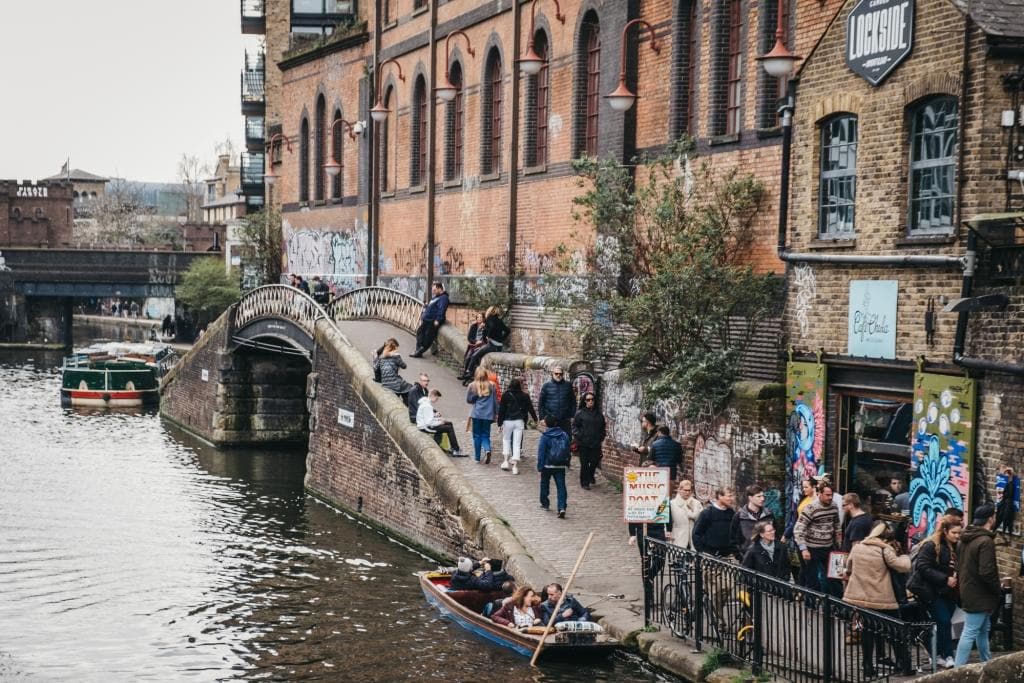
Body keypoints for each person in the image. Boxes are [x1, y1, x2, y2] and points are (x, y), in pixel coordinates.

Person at [843, 522, 912, 678]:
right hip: (882, 598)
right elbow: (902, 566)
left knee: (867, 632)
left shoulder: (858, 547)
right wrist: (905, 556)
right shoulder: (885, 550)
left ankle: (867, 665)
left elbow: (849, 567)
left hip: (860, 598)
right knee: (895, 631)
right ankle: (904, 664)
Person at [907, 518, 962, 669]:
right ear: (945, 531)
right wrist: (945, 579)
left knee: (942, 623)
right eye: (954, 532)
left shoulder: (957, 546)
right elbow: (923, 567)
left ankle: (937, 653)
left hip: (948, 592)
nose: (957, 536)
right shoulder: (931, 545)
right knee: (944, 621)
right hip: (930, 590)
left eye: (959, 532)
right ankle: (948, 655)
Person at [954, 504, 1002, 667]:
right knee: (970, 632)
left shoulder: (964, 539)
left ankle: (986, 664)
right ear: (990, 519)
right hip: (981, 593)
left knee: (983, 629)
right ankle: (956, 671)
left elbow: (959, 566)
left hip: (968, 590)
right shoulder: (985, 541)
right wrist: (997, 589)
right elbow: (987, 572)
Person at [793, 483, 841, 595]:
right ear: (819, 494)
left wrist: (839, 541)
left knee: (834, 578)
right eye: (827, 495)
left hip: (828, 547)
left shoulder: (834, 506)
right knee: (812, 579)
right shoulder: (811, 508)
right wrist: (803, 549)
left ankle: (834, 606)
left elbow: (837, 525)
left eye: (831, 495)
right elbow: (798, 529)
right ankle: (811, 605)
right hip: (811, 548)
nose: (830, 497)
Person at [497, 377, 537, 475]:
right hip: (519, 421)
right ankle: (515, 467)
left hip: (508, 421)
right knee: (517, 443)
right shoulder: (525, 395)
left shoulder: (506, 395)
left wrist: (499, 423)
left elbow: (501, 410)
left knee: (506, 440)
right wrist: (535, 419)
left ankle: (506, 461)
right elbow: (530, 408)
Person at [461, 306, 509, 381]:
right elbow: (508, 330)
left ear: (489, 311)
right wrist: (501, 339)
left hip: (492, 345)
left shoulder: (490, 318)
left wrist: (488, 335)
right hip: (499, 346)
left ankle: (469, 372)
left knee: (474, 355)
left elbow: (491, 328)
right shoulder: (499, 320)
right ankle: (471, 372)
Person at [537, 415, 570, 518]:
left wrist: (540, 466)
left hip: (547, 465)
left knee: (544, 484)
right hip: (560, 465)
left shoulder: (545, 436)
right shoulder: (564, 435)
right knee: (561, 486)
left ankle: (545, 503)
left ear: (546, 424)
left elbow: (541, 452)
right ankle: (562, 507)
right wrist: (567, 462)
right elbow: (567, 449)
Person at [731, 485, 775, 560]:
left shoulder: (768, 514)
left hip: (767, 558)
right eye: (759, 496)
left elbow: (775, 534)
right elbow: (733, 539)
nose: (762, 499)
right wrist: (741, 557)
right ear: (750, 498)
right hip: (747, 558)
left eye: (763, 496)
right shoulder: (739, 516)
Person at [572, 392, 605, 489]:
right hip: (583, 442)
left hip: (595, 442)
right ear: (585, 401)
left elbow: (603, 427)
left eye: (592, 399)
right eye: (588, 400)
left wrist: (601, 437)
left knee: (594, 461)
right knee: (584, 463)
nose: (590, 401)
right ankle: (584, 482)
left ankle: (590, 475)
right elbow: (574, 426)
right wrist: (579, 435)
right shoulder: (580, 413)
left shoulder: (599, 414)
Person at [693, 487, 737, 558]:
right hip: (709, 556)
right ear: (720, 496)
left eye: (733, 496)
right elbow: (696, 534)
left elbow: (735, 534)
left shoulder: (732, 513)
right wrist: (702, 551)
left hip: (728, 556)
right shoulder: (707, 513)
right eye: (729, 496)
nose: (732, 499)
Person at [466, 367, 498, 464]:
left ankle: (477, 457)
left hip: (477, 414)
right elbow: (495, 402)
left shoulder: (472, 386)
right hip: (488, 415)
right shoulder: (492, 385)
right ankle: (487, 449)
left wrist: (476, 396)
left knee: (476, 436)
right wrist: (496, 413)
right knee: (485, 435)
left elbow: (469, 400)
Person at [416, 390, 462, 456]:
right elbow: (429, 423)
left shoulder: (425, 403)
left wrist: (438, 419)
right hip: (425, 427)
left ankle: (454, 447)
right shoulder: (427, 406)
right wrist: (440, 422)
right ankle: (456, 449)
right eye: (436, 398)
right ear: (432, 396)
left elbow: (428, 417)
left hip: (424, 425)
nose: (437, 400)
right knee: (448, 428)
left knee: (449, 423)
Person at [411, 282, 449, 358]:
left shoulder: (444, 298)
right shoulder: (436, 297)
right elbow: (431, 306)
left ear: (439, 289)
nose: (433, 291)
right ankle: (418, 350)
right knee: (419, 333)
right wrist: (426, 306)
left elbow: (442, 310)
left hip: (432, 321)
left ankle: (419, 351)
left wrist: (438, 320)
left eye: (434, 290)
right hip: (427, 320)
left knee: (428, 337)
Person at [538, 365, 574, 436]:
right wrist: (542, 418)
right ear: (552, 374)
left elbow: (573, 401)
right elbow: (541, 403)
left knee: (566, 440)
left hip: (565, 419)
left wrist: (572, 415)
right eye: (556, 373)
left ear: (563, 374)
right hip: (550, 419)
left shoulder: (568, 385)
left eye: (560, 374)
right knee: (551, 440)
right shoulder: (546, 386)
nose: (558, 375)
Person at [668, 480, 703, 550]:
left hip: (693, 539)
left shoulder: (696, 503)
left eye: (689, 490)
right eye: (685, 490)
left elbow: (701, 520)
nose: (687, 493)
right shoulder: (672, 504)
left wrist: (691, 509)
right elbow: (669, 522)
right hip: (678, 537)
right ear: (679, 490)